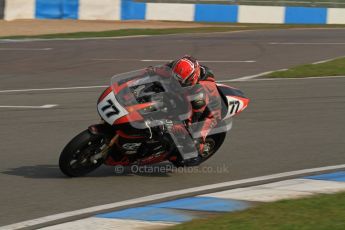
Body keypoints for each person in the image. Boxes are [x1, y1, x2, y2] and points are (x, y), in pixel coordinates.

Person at [165, 55, 222, 166]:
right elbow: (163, 69)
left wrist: (177, 125)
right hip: (193, 89)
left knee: (193, 138)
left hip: (211, 113)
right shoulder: (180, 66)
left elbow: (192, 118)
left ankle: (195, 155)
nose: (177, 83)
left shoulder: (199, 95)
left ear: (192, 79)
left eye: (181, 82)